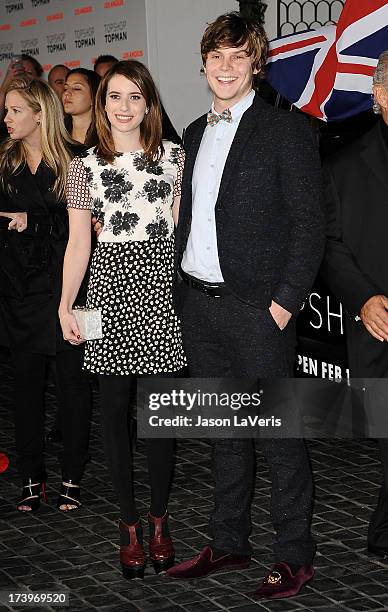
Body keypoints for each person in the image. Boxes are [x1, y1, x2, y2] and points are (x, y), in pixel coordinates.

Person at [165, 12, 324, 600]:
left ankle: (295, 556)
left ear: (256, 64)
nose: (226, 68)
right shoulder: (195, 132)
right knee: (224, 433)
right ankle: (228, 541)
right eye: (216, 57)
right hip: (200, 304)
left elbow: (310, 228)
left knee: (280, 437)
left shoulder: (287, 131)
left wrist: (282, 305)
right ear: (204, 63)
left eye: (238, 58)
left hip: (259, 311)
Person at [59, 60, 186, 579]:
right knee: (113, 415)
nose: (125, 107)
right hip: (109, 289)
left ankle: (159, 519)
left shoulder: (176, 159)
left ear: (149, 103)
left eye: (136, 97)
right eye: (115, 96)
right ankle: (128, 524)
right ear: (103, 103)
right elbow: (77, 242)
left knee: (159, 418)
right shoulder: (81, 167)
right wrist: (65, 305)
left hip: (159, 291)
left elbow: (179, 237)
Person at [0, 78, 92, 513]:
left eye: (15, 110)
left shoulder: (76, 162)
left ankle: (72, 477)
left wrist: (32, 221)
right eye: (6, 111)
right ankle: (31, 478)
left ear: (40, 113)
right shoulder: (4, 161)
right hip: (20, 290)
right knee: (25, 390)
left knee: (74, 388)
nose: (7, 118)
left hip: (71, 290)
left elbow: (85, 231)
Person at [321, 51, 388, 557]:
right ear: (381, 96)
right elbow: (329, 244)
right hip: (379, 326)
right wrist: (363, 298)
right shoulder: (344, 165)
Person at [63, 68, 100, 147]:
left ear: (93, 97)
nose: (67, 93)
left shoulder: (108, 138)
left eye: (76, 88)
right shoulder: (56, 135)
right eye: (65, 88)